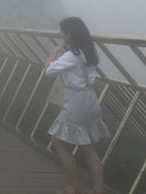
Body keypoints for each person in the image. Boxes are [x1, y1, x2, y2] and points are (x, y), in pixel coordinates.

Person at [45, 17, 109, 194]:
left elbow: (49, 70)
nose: (61, 34)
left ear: (69, 33)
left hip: (76, 101)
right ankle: (98, 189)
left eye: (62, 31)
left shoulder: (71, 55)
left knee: (57, 142)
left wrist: (56, 49)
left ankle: (73, 186)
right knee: (88, 148)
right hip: (90, 99)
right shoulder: (87, 51)